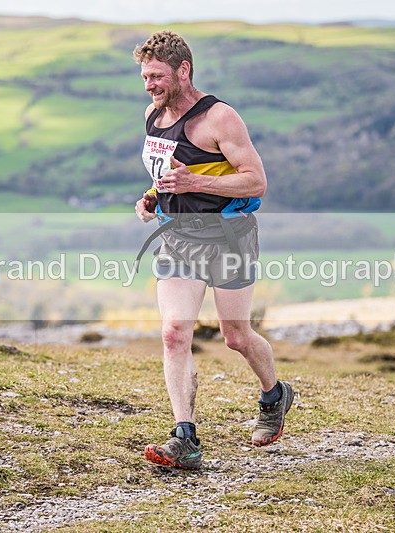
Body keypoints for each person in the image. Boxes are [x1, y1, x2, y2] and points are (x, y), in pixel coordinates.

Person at [132, 30, 294, 470]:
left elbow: (255, 181)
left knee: (235, 336)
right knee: (174, 333)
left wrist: (195, 184)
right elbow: (169, 170)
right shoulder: (154, 114)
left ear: (183, 70)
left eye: (157, 76)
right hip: (178, 237)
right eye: (145, 77)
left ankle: (274, 396)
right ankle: (184, 436)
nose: (150, 85)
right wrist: (152, 195)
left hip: (229, 237)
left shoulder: (220, 118)